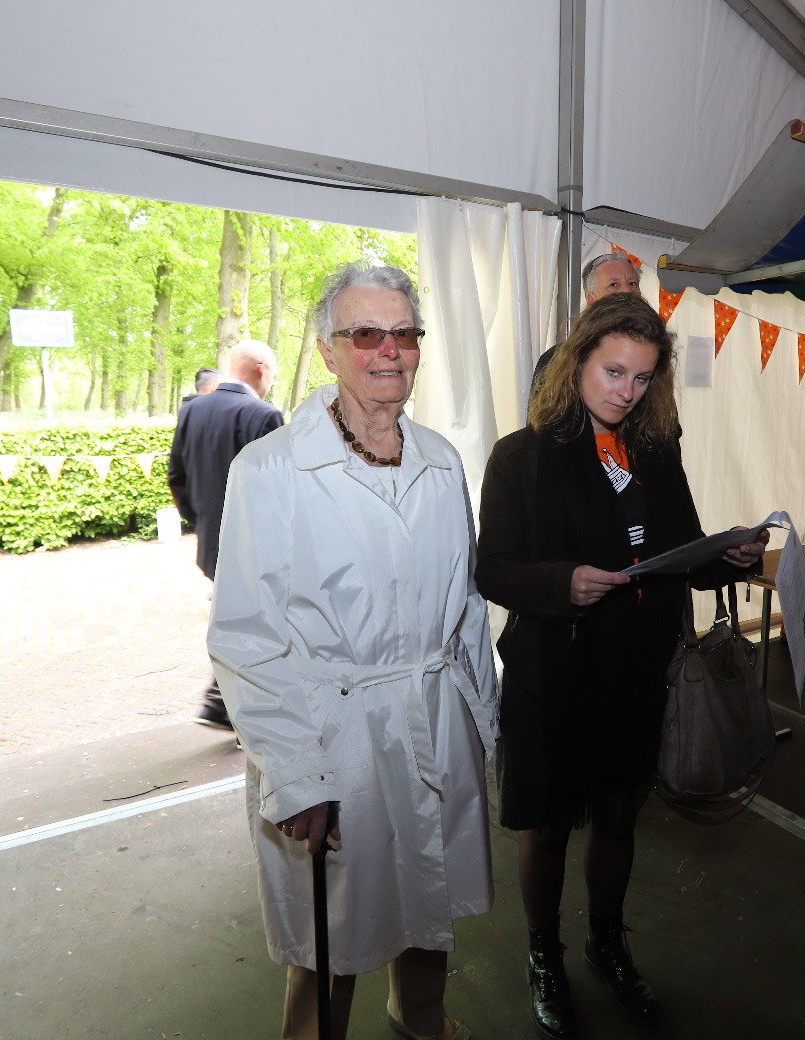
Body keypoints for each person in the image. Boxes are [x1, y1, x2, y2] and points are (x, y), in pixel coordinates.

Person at [207, 261, 496, 1040]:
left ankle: (419, 1018)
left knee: (428, 888)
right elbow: (246, 636)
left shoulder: (441, 462)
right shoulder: (271, 470)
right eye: (366, 333)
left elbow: (466, 610)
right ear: (328, 349)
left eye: (405, 333)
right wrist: (295, 774)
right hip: (333, 736)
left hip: (433, 715)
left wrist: (483, 724)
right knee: (331, 925)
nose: (389, 350)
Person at [476, 293, 768, 1039]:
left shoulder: (656, 451)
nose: (626, 392)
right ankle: (545, 955)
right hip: (554, 673)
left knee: (616, 819)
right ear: (576, 361)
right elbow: (493, 570)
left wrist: (728, 557)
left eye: (642, 378)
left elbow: (682, 553)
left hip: (637, 671)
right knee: (546, 826)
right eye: (613, 372)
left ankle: (607, 944)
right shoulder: (521, 455)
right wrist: (561, 584)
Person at [167, 341, 283, 728]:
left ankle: (222, 703)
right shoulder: (264, 415)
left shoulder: (193, 410)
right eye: (273, 374)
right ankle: (229, 706)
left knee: (238, 622)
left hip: (212, 543)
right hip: (254, 547)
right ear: (262, 370)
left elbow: (176, 475)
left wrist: (201, 521)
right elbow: (276, 490)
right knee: (259, 626)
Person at [529, 251, 643, 393]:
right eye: (613, 285)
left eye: (632, 283)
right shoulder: (557, 360)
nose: (627, 291)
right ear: (591, 300)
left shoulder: (654, 354)